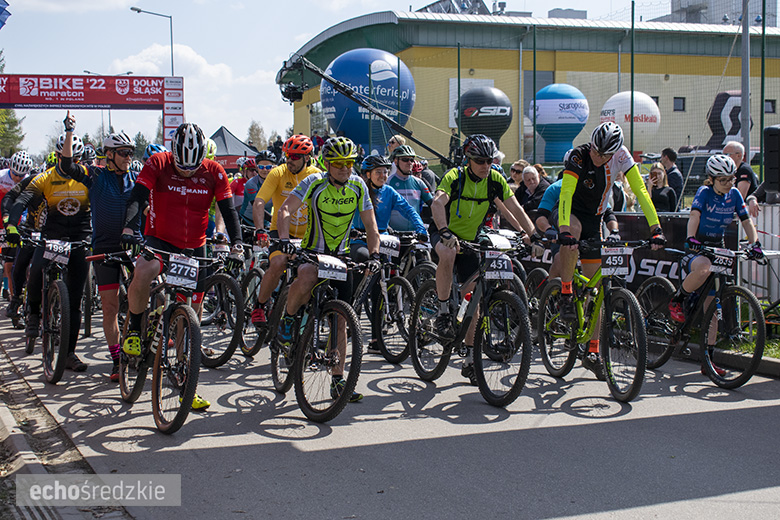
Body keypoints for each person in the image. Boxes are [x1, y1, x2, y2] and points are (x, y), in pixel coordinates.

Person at [120, 122, 244, 410]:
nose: (187, 172)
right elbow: (137, 197)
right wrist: (128, 229)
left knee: (191, 313)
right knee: (143, 271)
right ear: (173, 153)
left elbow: (228, 211)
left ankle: (186, 378)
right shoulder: (158, 162)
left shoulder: (214, 171)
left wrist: (236, 244)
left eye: (193, 167)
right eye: (181, 166)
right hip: (160, 239)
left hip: (194, 246)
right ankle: (136, 329)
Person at [556, 122, 665, 379]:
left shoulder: (622, 156)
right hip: (571, 213)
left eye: (604, 155)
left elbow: (640, 191)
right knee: (572, 236)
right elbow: (566, 192)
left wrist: (656, 228)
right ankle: (566, 293)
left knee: (597, 292)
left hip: (595, 219)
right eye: (596, 150)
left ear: (614, 152)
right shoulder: (579, 155)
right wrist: (564, 229)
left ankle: (593, 352)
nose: (597, 156)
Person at [276, 136, 380, 402]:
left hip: (341, 255)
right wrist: (285, 240)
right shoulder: (314, 182)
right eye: (339, 163)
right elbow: (286, 209)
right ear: (327, 164)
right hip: (313, 251)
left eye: (349, 163)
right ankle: (288, 318)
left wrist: (375, 255)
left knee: (342, 319)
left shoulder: (358, 185)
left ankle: (338, 379)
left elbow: (371, 225)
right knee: (307, 275)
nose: (345, 168)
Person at [431, 134, 536, 385]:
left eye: (489, 161)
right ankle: (443, 311)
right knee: (448, 253)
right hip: (445, 232)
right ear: (468, 160)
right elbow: (436, 203)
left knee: (473, 298)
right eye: (480, 161)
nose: (485, 165)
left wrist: (534, 235)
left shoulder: (495, 180)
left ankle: (469, 360)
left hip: (471, 239)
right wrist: (445, 232)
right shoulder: (455, 177)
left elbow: (515, 209)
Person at [55, 119, 141, 381]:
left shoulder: (136, 179)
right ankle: (117, 360)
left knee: (148, 296)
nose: (128, 157)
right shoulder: (96, 176)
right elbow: (67, 165)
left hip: (133, 246)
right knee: (109, 306)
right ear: (110, 155)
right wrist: (69, 132)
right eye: (124, 153)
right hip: (105, 248)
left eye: (131, 152)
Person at [7, 121, 92, 373]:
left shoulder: (89, 178)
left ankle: (69, 354)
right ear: (58, 156)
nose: (71, 163)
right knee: (35, 269)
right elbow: (21, 200)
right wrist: (11, 225)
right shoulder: (45, 178)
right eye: (67, 158)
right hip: (52, 238)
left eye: (76, 159)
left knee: (75, 301)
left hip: (80, 240)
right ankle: (33, 313)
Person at [667, 155, 763, 374]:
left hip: (718, 246)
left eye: (731, 178)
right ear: (711, 179)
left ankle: (708, 361)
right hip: (698, 247)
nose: (729, 183)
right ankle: (678, 299)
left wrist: (755, 244)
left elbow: (746, 221)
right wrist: (691, 238)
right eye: (723, 180)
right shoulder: (704, 192)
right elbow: (694, 215)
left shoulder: (735, 194)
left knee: (712, 307)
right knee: (703, 267)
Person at [251, 135, 320, 326]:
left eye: (295, 157)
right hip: (280, 232)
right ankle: (259, 306)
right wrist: (260, 230)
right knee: (278, 262)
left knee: (309, 273)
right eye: (288, 155)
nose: (290, 160)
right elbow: (259, 202)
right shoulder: (278, 173)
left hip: (306, 236)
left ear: (307, 158)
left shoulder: (316, 175)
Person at [0, 151, 33, 301]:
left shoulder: (29, 181)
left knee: (10, 264)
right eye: (15, 174)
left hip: (16, 224)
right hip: (1, 220)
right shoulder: (1, 177)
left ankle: (13, 297)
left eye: (21, 175)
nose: (18, 178)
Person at [386, 144, 433, 232]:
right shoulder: (388, 183)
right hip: (394, 234)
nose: (409, 163)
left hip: (416, 233)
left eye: (411, 160)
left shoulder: (419, 183)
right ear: (396, 162)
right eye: (405, 159)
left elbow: (433, 204)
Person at [239, 150, 276, 229]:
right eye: (261, 167)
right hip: (247, 222)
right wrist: (275, 220)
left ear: (273, 167)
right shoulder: (251, 183)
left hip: (266, 223)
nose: (264, 170)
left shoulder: (277, 183)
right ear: (257, 168)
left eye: (268, 167)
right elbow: (257, 207)